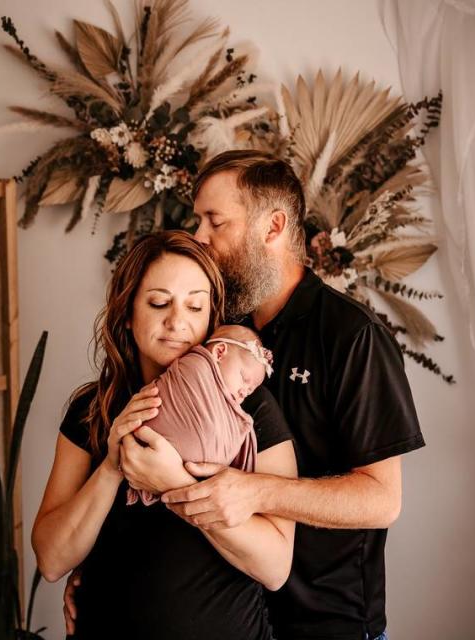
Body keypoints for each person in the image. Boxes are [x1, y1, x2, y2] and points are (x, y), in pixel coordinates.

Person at [65, 150, 424, 640]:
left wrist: (255, 490)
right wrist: (104, 575)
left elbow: (382, 500)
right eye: (198, 221)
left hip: (324, 621)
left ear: (272, 227)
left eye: (215, 221)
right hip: (240, 613)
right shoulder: (214, 329)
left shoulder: (351, 336)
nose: (199, 237)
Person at [33, 230, 297, 640]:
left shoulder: (250, 410)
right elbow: (51, 560)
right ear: (127, 313)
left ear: (212, 318)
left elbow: (275, 567)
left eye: (195, 305)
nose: (178, 322)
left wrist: (175, 483)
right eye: (159, 303)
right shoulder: (93, 408)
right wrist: (112, 467)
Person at [126, 324, 273, 506]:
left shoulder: (257, 408)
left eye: (250, 391)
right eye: (244, 379)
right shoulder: (195, 367)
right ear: (219, 353)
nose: (244, 392)